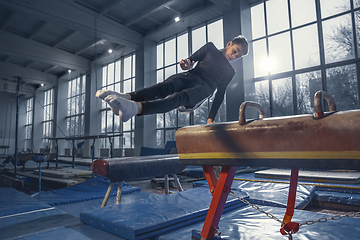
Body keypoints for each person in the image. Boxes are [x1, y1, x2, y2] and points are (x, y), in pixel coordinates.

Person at [96, 35, 249, 124]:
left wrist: (210, 118)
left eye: (238, 56)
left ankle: (134, 108)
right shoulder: (210, 48)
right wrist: (186, 64)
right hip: (192, 76)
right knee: (166, 86)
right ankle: (125, 98)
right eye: (235, 51)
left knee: (177, 98)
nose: (234, 56)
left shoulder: (230, 71)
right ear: (229, 44)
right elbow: (190, 61)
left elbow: (220, 95)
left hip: (204, 89)